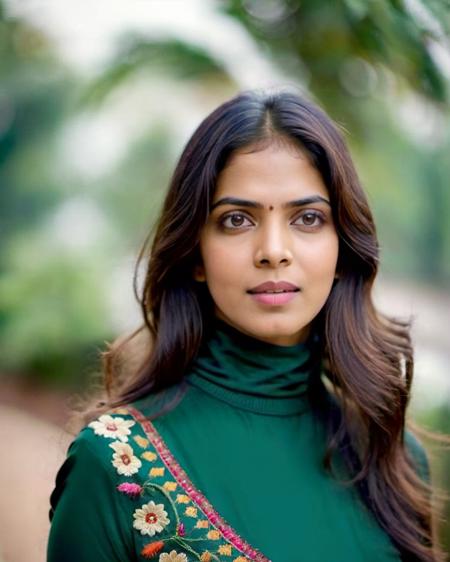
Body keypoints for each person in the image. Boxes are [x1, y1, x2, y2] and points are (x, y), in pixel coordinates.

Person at [47, 88, 444, 562]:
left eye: (308, 218)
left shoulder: (391, 457)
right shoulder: (114, 464)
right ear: (195, 253)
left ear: (342, 250)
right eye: (237, 220)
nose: (274, 250)